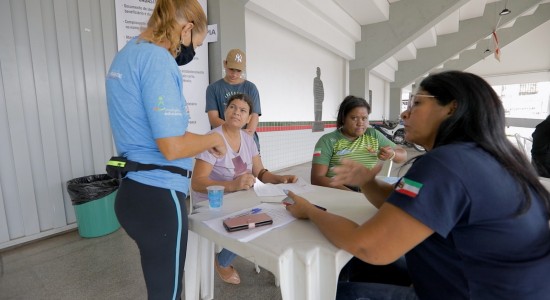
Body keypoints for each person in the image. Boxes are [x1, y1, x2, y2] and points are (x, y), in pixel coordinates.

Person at [286, 71, 550, 300]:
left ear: (451, 108)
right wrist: (367, 181)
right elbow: (402, 202)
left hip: (471, 292)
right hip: (494, 284)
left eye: (417, 103)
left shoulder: (446, 163)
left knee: (323, 292)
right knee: (350, 264)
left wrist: (310, 211)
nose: (404, 113)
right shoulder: (493, 156)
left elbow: (370, 246)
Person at [105, 1, 227, 299]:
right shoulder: (158, 60)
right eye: (194, 44)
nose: (190, 53)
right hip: (158, 198)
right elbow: (171, 147)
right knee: (168, 294)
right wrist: (212, 140)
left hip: (133, 191)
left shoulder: (127, 55)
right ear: (185, 29)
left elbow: (158, 134)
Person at [191, 93, 297, 285]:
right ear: (225, 111)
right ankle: (222, 262)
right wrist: (232, 185)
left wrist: (280, 178)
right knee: (250, 222)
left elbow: (260, 172)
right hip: (211, 204)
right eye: (232, 107)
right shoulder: (213, 139)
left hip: (240, 201)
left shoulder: (249, 140)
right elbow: (197, 182)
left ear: (249, 118)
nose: (236, 112)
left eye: (243, 110)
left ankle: (264, 256)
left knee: (274, 214)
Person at [311, 95, 407, 191]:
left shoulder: (373, 135)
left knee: (405, 190)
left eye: (364, 118)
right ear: (343, 118)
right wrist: (350, 193)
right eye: (354, 118)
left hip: (366, 188)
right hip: (338, 189)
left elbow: (403, 155)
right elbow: (317, 178)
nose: (360, 123)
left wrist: (392, 154)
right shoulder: (327, 140)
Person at [205, 49, 262, 151]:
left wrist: (245, 136)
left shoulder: (251, 88)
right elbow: (213, 118)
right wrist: (235, 133)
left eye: (238, 71)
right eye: (231, 69)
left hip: (248, 142)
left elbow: (254, 116)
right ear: (225, 64)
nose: (234, 74)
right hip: (222, 142)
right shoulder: (213, 88)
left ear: (243, 68)